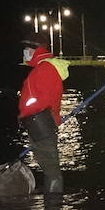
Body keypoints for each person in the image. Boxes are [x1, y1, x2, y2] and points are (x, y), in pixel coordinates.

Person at [19, 34, 70, 194]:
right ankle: (52, 202)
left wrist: (25, 112)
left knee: (51, 169)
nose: (25, 52)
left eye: (27, 49)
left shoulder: (44, 69)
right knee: (47, 165)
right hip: (39, 122)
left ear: (37, 50)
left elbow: (42, 99)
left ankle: (54, 208)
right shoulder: (43, 67)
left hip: (40, 122)